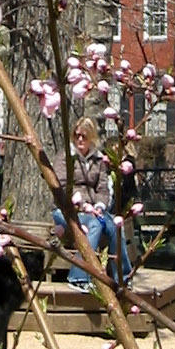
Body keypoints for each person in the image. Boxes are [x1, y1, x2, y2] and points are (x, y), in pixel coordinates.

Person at [62, 119, 132, 287]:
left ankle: (123, 276)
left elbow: (103, 189)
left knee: (114, 226)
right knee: (95, 225)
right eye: (76, 135)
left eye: (84, 136)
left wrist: (99, 206)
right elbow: (62, 186)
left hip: (94, 210)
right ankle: (78, 277)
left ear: (91, 138)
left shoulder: (98, 160)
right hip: (69, 210)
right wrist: (83, 205)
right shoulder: (65, 157)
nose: (80, 139)